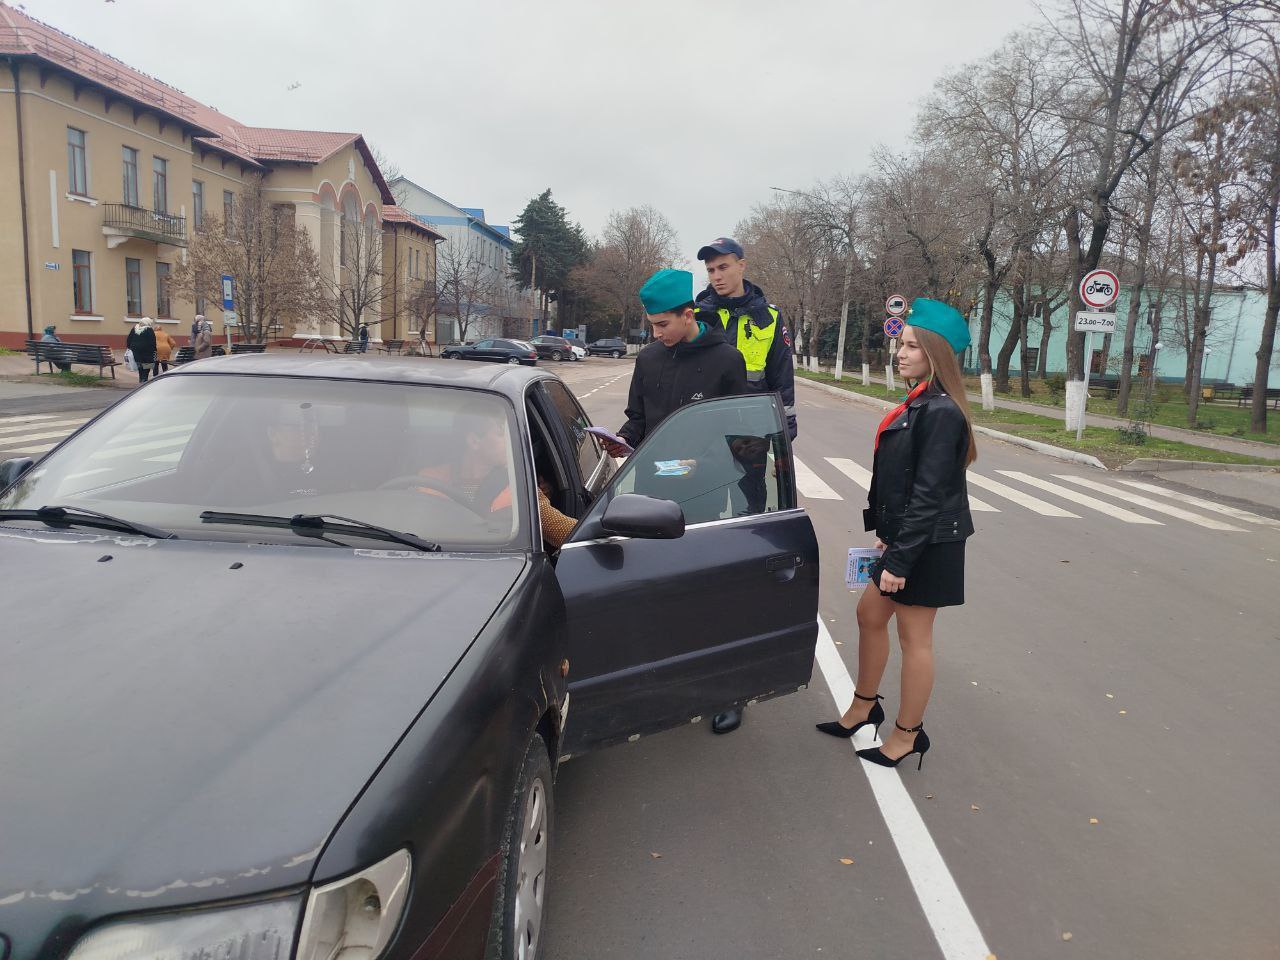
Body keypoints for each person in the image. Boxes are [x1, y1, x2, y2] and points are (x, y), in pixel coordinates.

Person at [815, 298, 977, 771]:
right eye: (900, 344)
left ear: (934, 353)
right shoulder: (919, 402)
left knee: (915, 636)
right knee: (869, 614)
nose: (899, 353)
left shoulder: (941, 411)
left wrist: (900, 561)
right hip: (907, 536)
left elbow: (928, 496)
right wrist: (886, 536)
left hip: (930, 542)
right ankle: (866, 706)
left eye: (910, 346)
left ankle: (908, 734)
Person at [694, 237, 798, 734]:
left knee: (744, 547)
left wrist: (784, 447)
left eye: (723, 266)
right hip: (701, 441)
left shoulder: (770, 318)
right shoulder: (697, 314)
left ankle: (731, 683)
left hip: (752, 440)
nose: (716, 276)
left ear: (742, 266)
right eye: (711, 269)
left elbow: (783, 383)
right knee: (693, 543)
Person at [603, 268, 747, 457]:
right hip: (651, 476)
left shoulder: (728, 360)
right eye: (652, 324)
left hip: (706, 481)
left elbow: (735, 430)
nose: (656, 334)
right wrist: (624, 439)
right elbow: (638, 419)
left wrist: (705, 464)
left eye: (663, 325)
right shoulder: (647, 359)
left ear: (687, 316)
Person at [126, 317, 158, 383]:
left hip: (135, 351)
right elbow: (152, 341)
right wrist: (154, 350)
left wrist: (130, 348)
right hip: (147, 352)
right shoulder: (149, 329)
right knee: (147, 365)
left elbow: (129, 339)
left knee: (140, 365)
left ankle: (141, 378)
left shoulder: (134, 329)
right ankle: (144, 379)